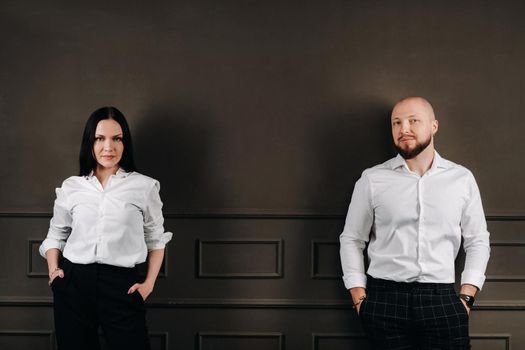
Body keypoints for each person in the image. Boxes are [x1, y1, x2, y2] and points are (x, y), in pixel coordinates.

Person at [339, 97, 490, 350]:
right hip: (384, 301)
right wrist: (359, 298)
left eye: (413, 121)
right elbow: (352, 239)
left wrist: (466, 297)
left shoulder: (461, 179)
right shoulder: (372, 179)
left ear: (434, 126)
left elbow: (478, 240)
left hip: (442, 300)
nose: (403, 129)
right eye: (396, 123)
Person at [39, 106, 172, 350]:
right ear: (89, 142)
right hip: (74, 284)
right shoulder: (72, 187)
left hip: (121, 286)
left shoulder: (144, 187)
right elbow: (56, 234)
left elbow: (155, 238)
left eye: (116, 139)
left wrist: (149, 284)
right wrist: (53, 272)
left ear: (125, 142)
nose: (108, 147)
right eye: (99, 138)